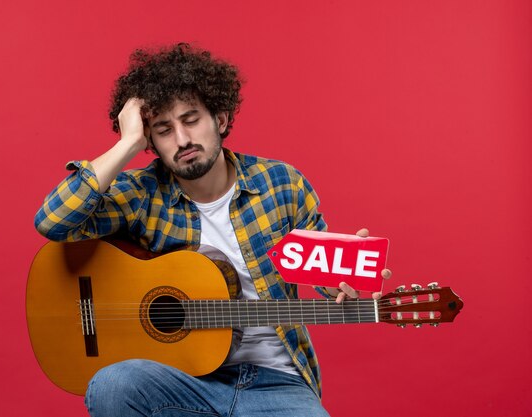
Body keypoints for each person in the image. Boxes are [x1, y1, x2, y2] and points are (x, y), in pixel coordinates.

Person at [35, 43, 390, 417]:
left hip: (277, 382)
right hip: (182, 380)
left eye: (191, 120)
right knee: (112, 384)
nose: (183, 140)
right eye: (163, 130)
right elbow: (52, 221)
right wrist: (126, 144)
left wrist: (341, 284)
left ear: (220, 119)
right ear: (150, 142)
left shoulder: (281, 184)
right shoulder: (141, 195)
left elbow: (326, 276)